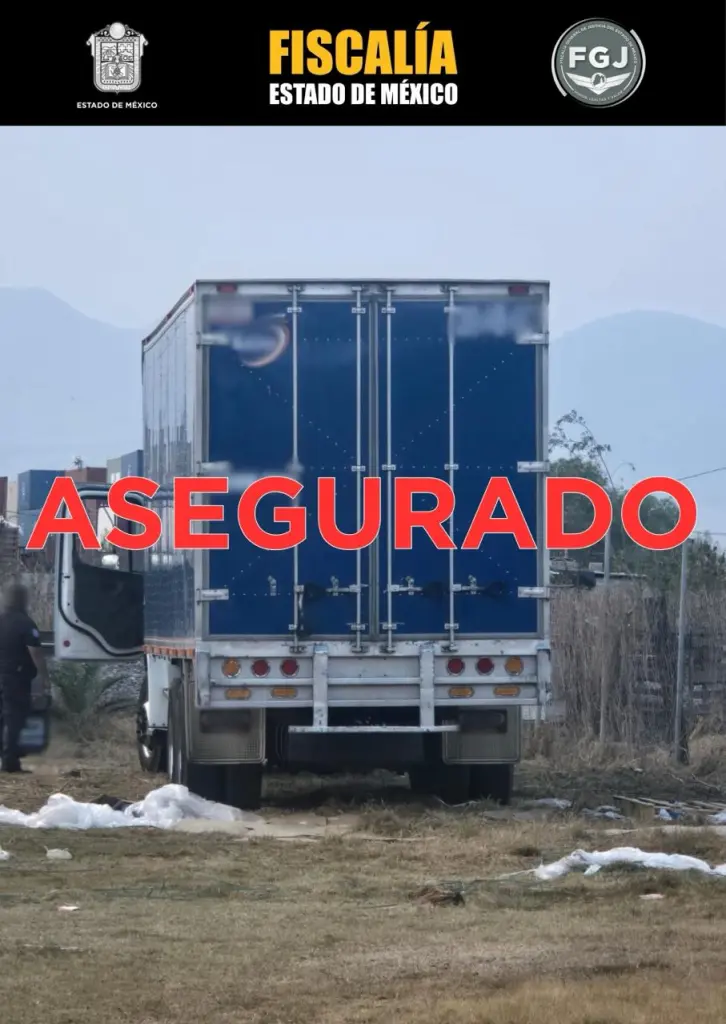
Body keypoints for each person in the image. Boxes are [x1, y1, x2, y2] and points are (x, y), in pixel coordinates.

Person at [0, 581, 50, 773]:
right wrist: (44, 677)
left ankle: (7, 755)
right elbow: (35, 653)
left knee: (3, 717)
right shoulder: (25, 623)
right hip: (15, 678)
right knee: (15, 718)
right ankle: (10, 761)